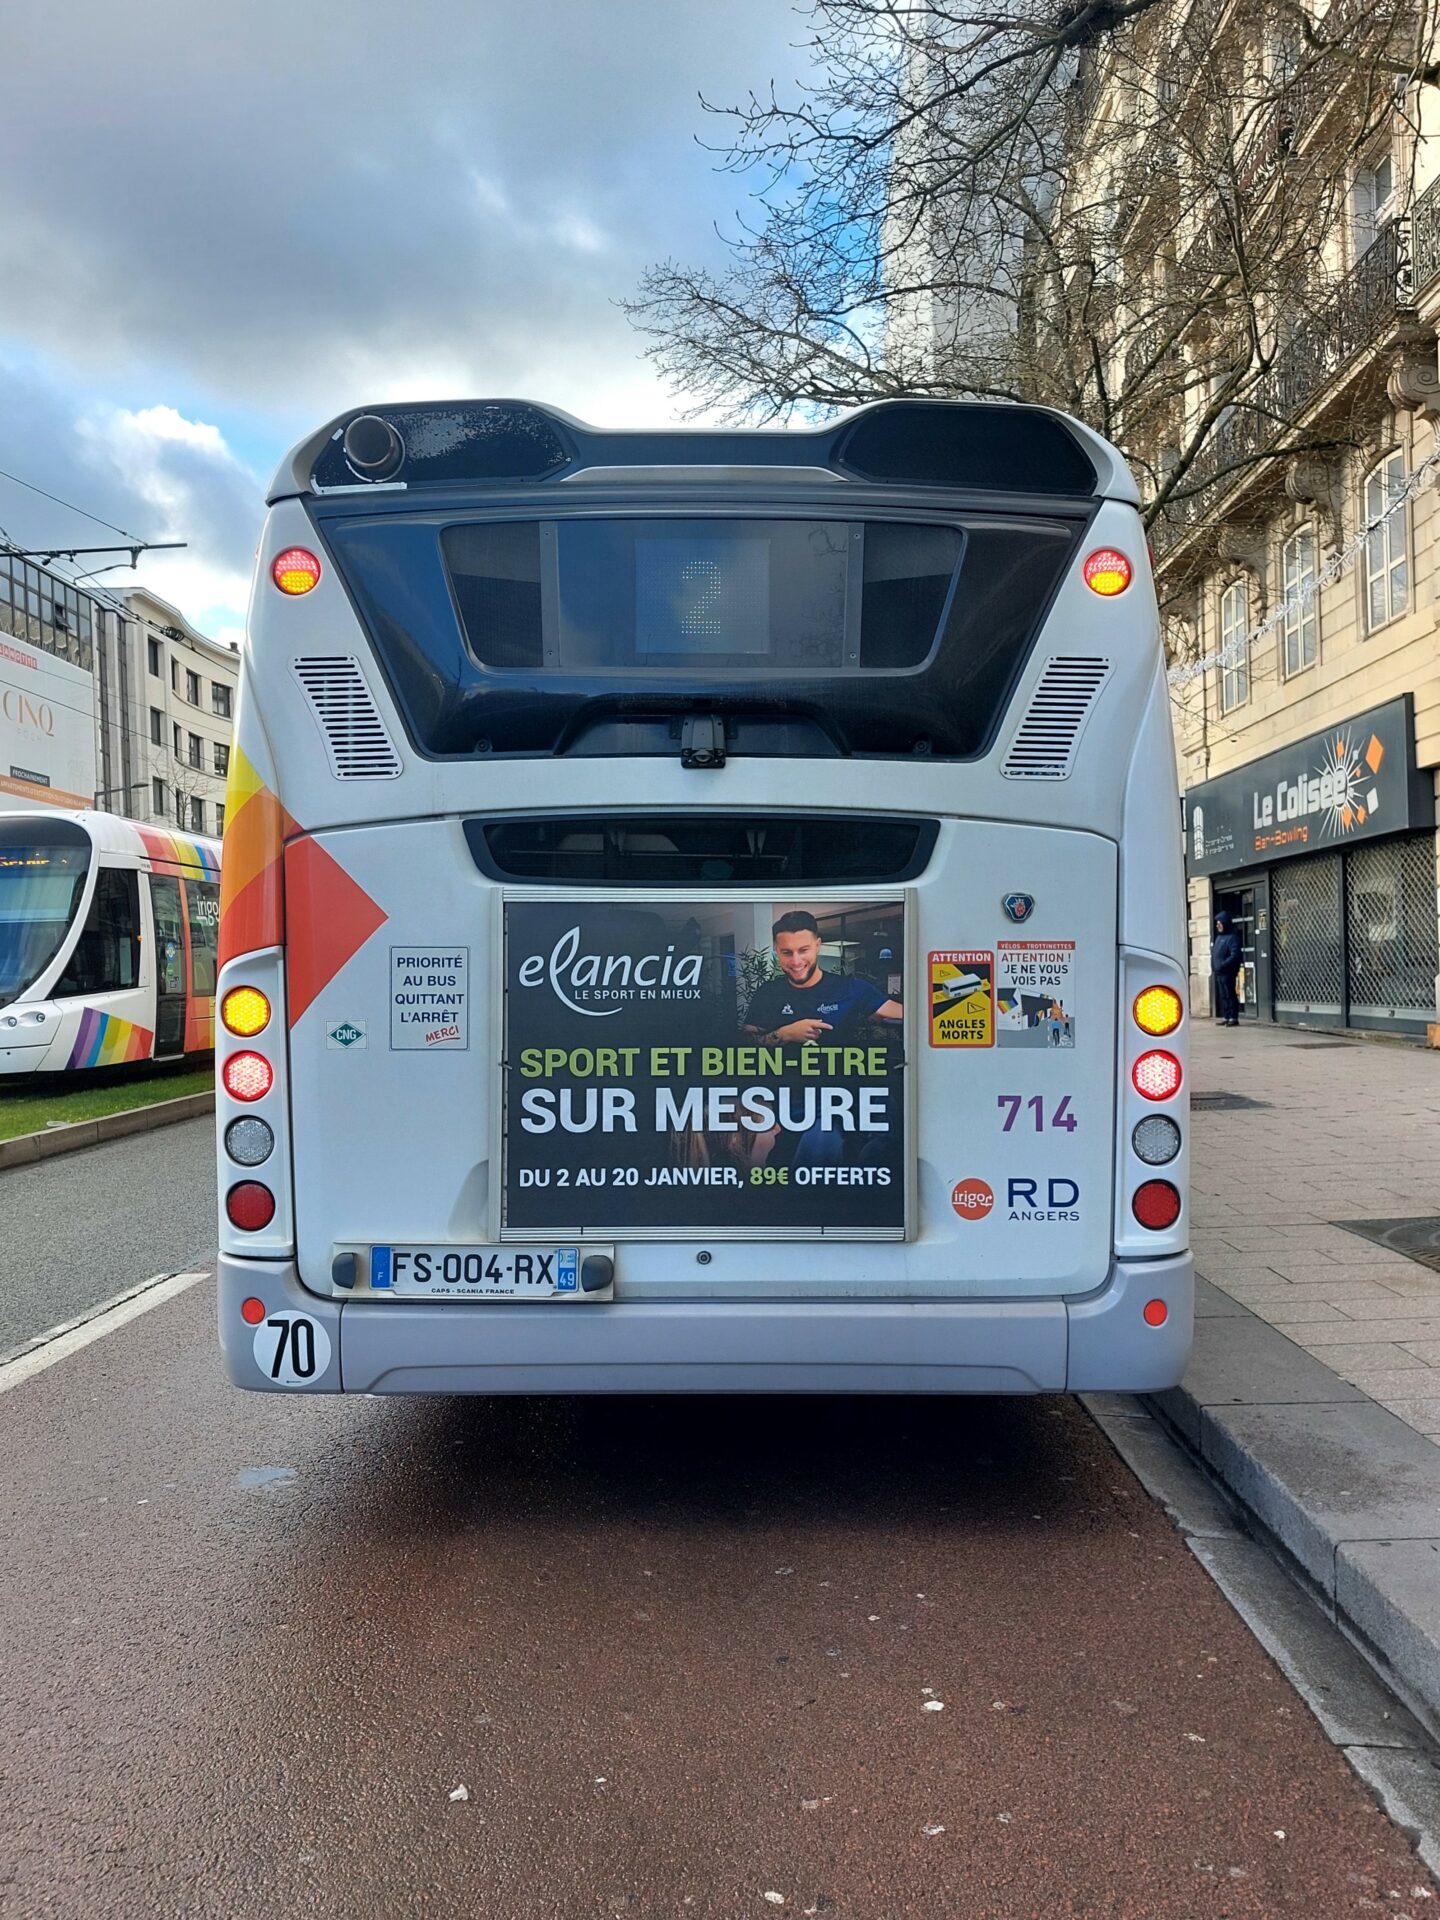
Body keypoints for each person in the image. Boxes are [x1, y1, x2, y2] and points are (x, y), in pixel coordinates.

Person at [743, 911, 903, 1046]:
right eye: (787, 952)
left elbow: (909, 1015)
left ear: (818, 945)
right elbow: (745, 1044)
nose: (796, 961)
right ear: (777, 951)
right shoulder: (768, 993)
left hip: (838, 1081)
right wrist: (785, 1034)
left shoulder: (849, 987)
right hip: (783, 1081)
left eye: (803, 950)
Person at [1212, 910, 1242, 1027]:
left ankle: (1233, 1017)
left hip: (1228, 971)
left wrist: (1224, 964)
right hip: (1219, 971)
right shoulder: (1219, 938)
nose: (1218, 926)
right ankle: (1226, 1016)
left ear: (1225, 923)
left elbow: (1235, 955)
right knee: (1223, 995)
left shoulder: (1232, 938)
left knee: (1230, 994)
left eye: (1220, 923)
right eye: (1217, 924)